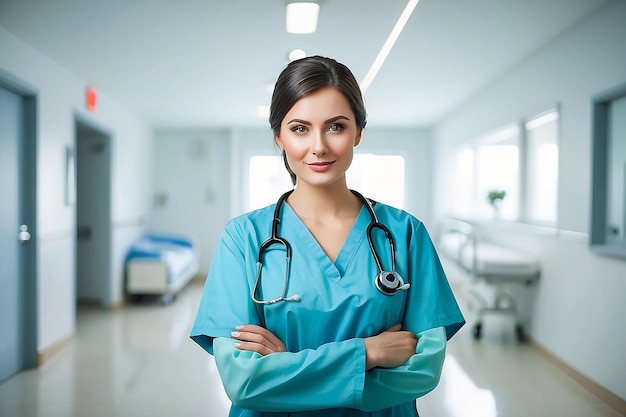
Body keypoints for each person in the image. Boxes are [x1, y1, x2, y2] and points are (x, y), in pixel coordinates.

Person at [190, 55, 465, 417]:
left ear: (358, 132)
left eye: (336, 126)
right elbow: (244, 382)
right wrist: (366, 354)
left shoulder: (405, 234)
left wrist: (289, 367)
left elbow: (421, 372)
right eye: (300, 128)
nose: (318, 145)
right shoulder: (243, 238)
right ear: (279, 136)